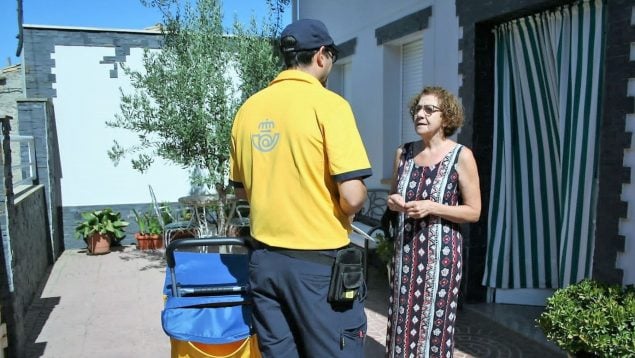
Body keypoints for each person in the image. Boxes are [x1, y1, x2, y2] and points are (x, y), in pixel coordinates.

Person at [229, 18, 372, 358]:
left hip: (264, 263)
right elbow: (352, 197)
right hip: (318, 269)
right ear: (322, 56)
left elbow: (241, 193)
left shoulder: (248, 109)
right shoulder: (329, 105)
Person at [384, 86, 481, 357]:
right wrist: (394, 203)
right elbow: (394, 194)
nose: (420, 114)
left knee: (435, 326)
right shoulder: (402, 153)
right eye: (418, 108)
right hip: (406, 252)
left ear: (446, 117)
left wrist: (433, 207)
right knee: (402, 320)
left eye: (429, 109)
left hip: (442, 257)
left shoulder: (461, 156)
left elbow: (474, 212)